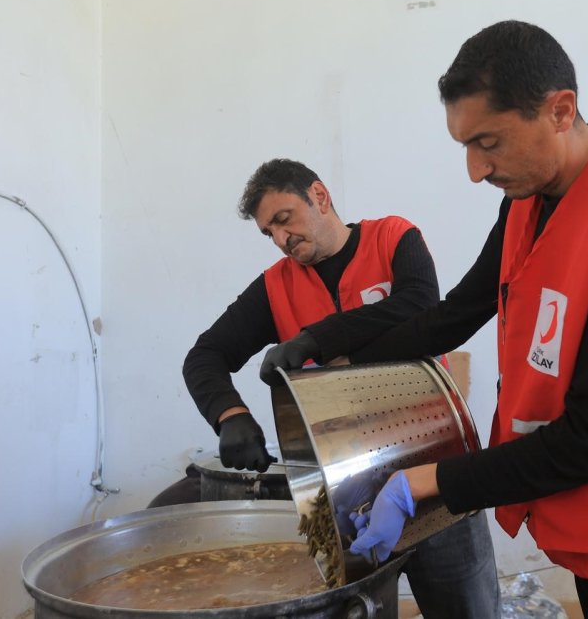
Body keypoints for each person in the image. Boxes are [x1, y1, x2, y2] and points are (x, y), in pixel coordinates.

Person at [268, 21, 588, 619]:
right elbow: (454, 314)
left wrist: (423, 485)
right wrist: (327, 351)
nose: (476, 170)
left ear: (560, 110)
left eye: (490, 142)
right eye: (465, 147)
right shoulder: (528, 199)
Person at [181, 158, 501, 619]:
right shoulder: (276, 288)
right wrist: (230, 415)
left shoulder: (392, 238)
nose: (280, 239)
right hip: (350, 504)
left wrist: (316, 339)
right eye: (268, 232)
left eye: (284, 219)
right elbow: (204, 355)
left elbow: (418, 305)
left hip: (437, 480)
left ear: (320, 196)